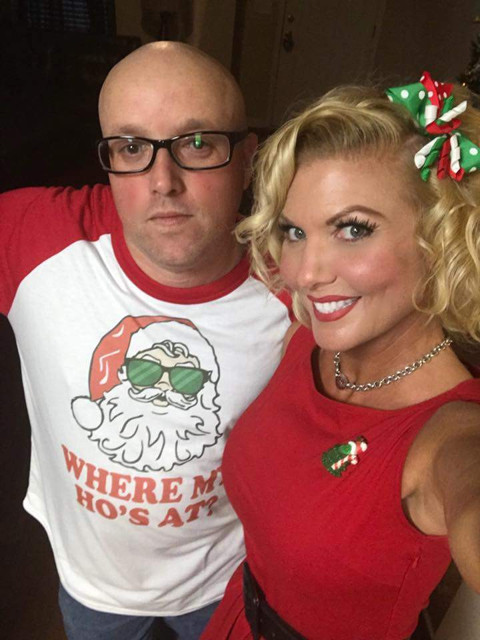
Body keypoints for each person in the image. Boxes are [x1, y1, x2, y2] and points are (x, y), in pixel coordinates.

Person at [0, 42, 291, 640]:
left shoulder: (299, 285)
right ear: (109, 161)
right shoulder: (36, 241)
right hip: (90, 584)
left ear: (246, 159)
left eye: (197, 143)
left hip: (226, 579)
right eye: (132, 148)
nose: (164, 182)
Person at [201, 72, 480, 640]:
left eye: (353, 229)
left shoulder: (450, 437)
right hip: (234, 618)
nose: (305, 274)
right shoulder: (306, 340)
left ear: (440, 236)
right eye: (294, 231)